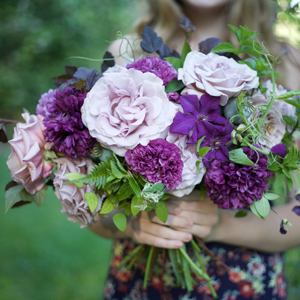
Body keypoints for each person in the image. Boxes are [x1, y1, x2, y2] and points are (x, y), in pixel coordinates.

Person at [90, 0, 300, 299]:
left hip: (244, 284)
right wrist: (134, 225)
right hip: (143, 283)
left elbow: (298, 214)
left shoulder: (287, 64)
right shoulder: (128, 53)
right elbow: (90, 206)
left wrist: (222, 226)